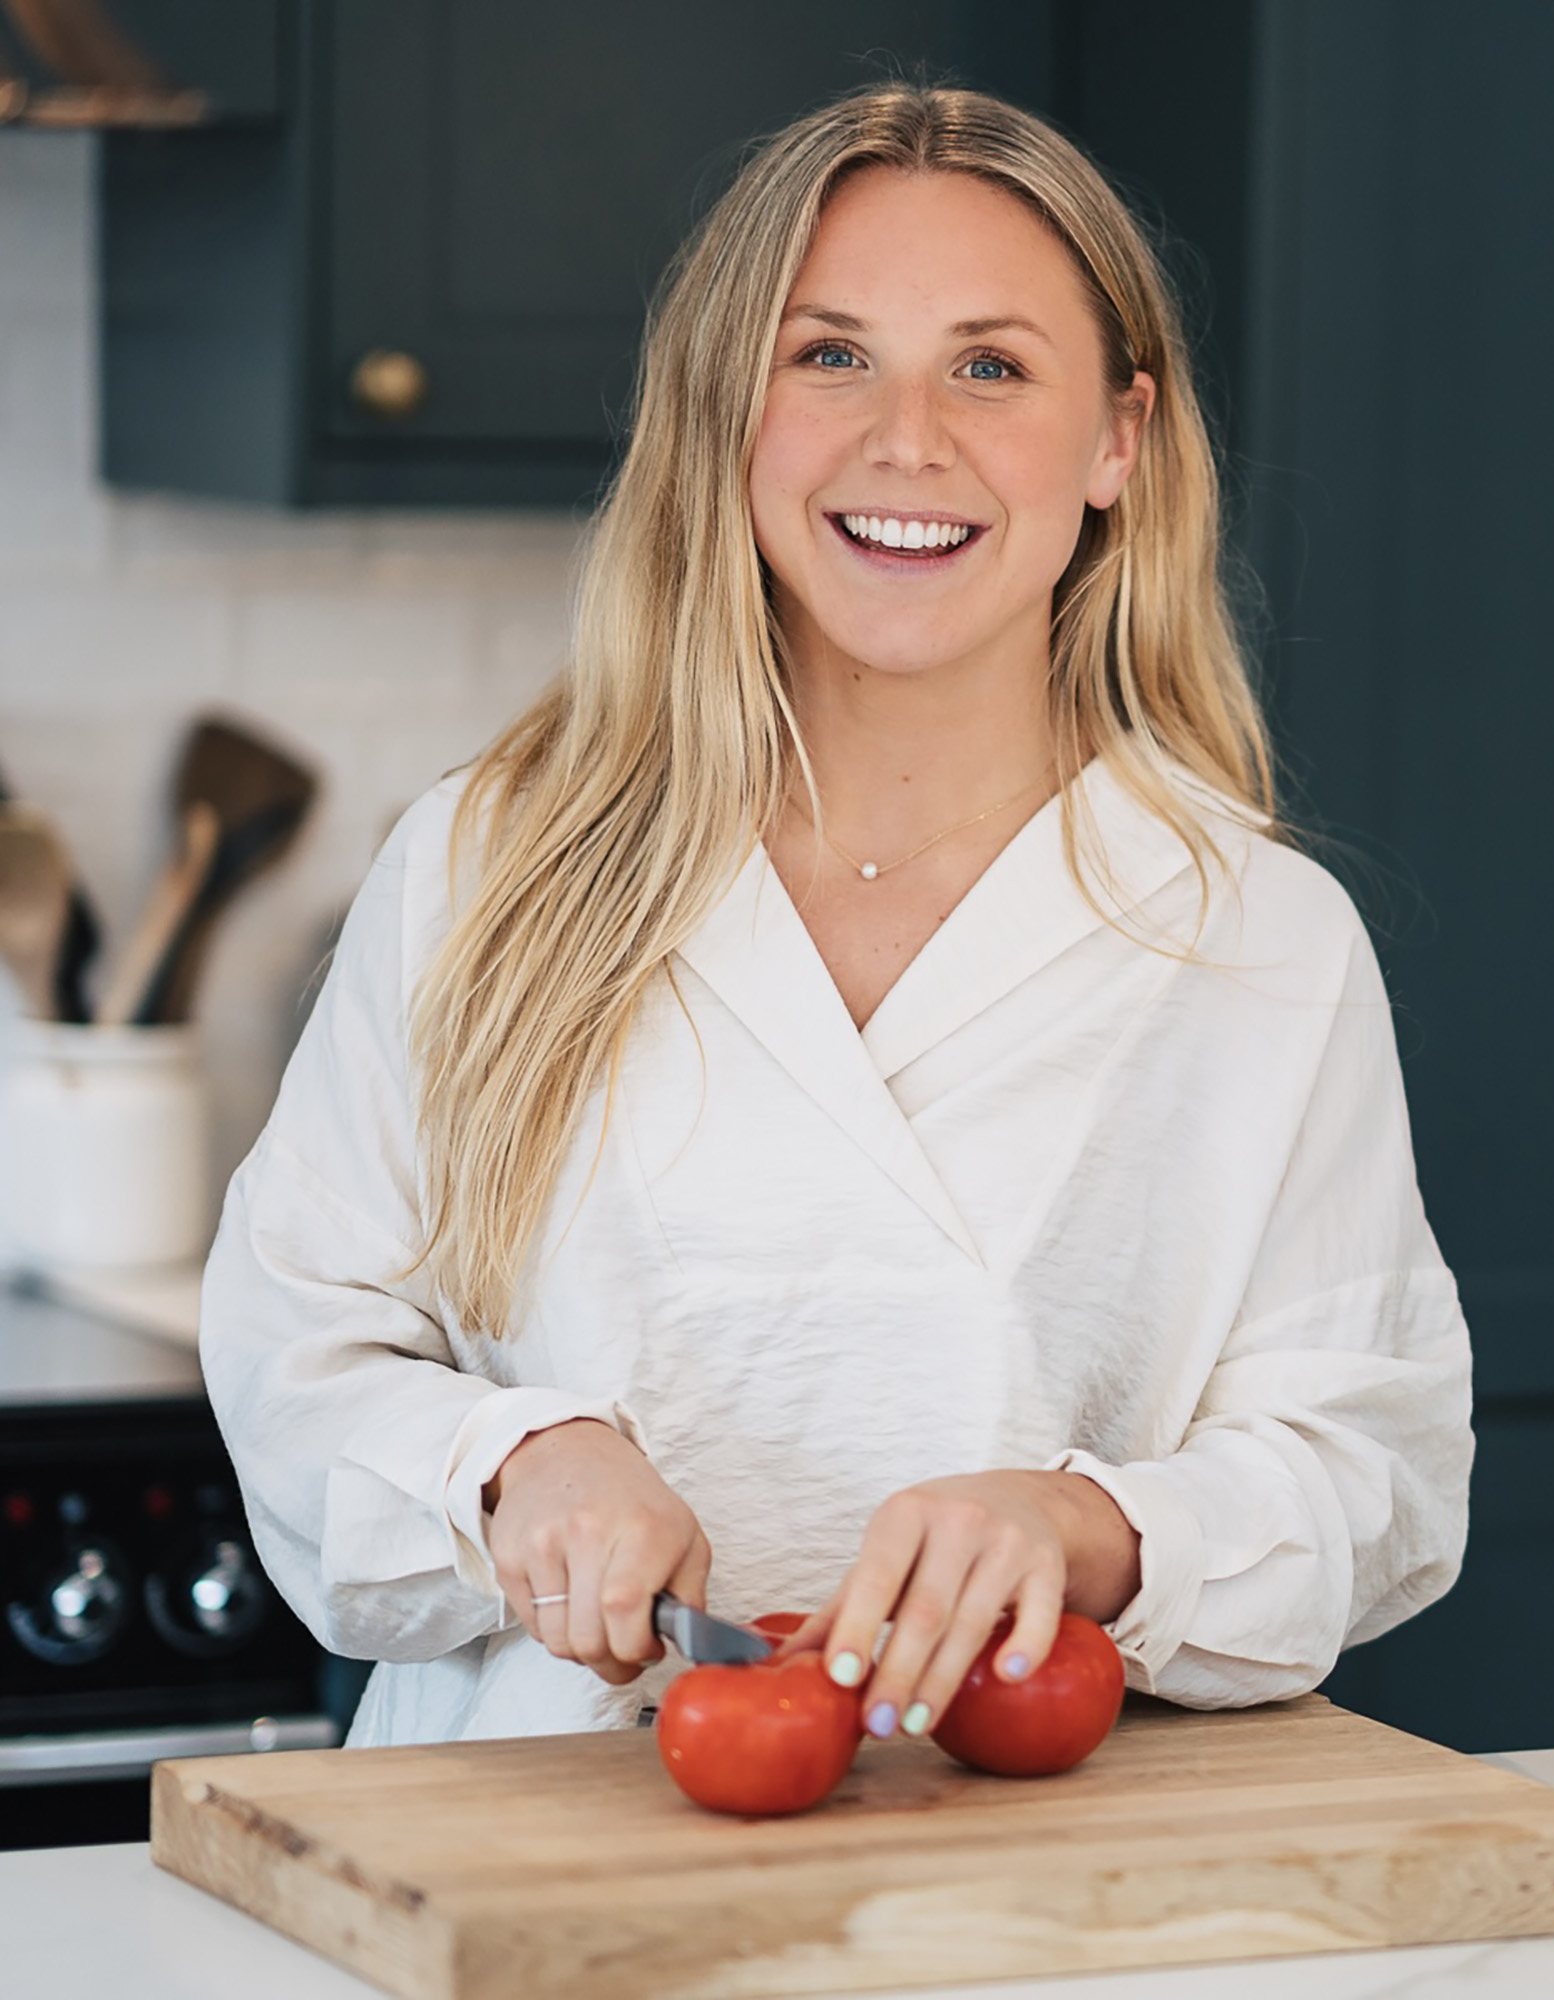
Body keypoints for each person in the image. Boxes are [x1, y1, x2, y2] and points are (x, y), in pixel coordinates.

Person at [200, 84, 1472, 1751]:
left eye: (989, 366)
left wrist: (1086, 1525)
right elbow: (295, 1344)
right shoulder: (488, 867)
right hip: (523, 1846)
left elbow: (1373, 1472)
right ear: (726, 414)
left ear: (1118, 441)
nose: (906, 440)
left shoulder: (1256, 942)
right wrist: (510, 1464)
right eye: (829, 355)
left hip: (1042, 1855)